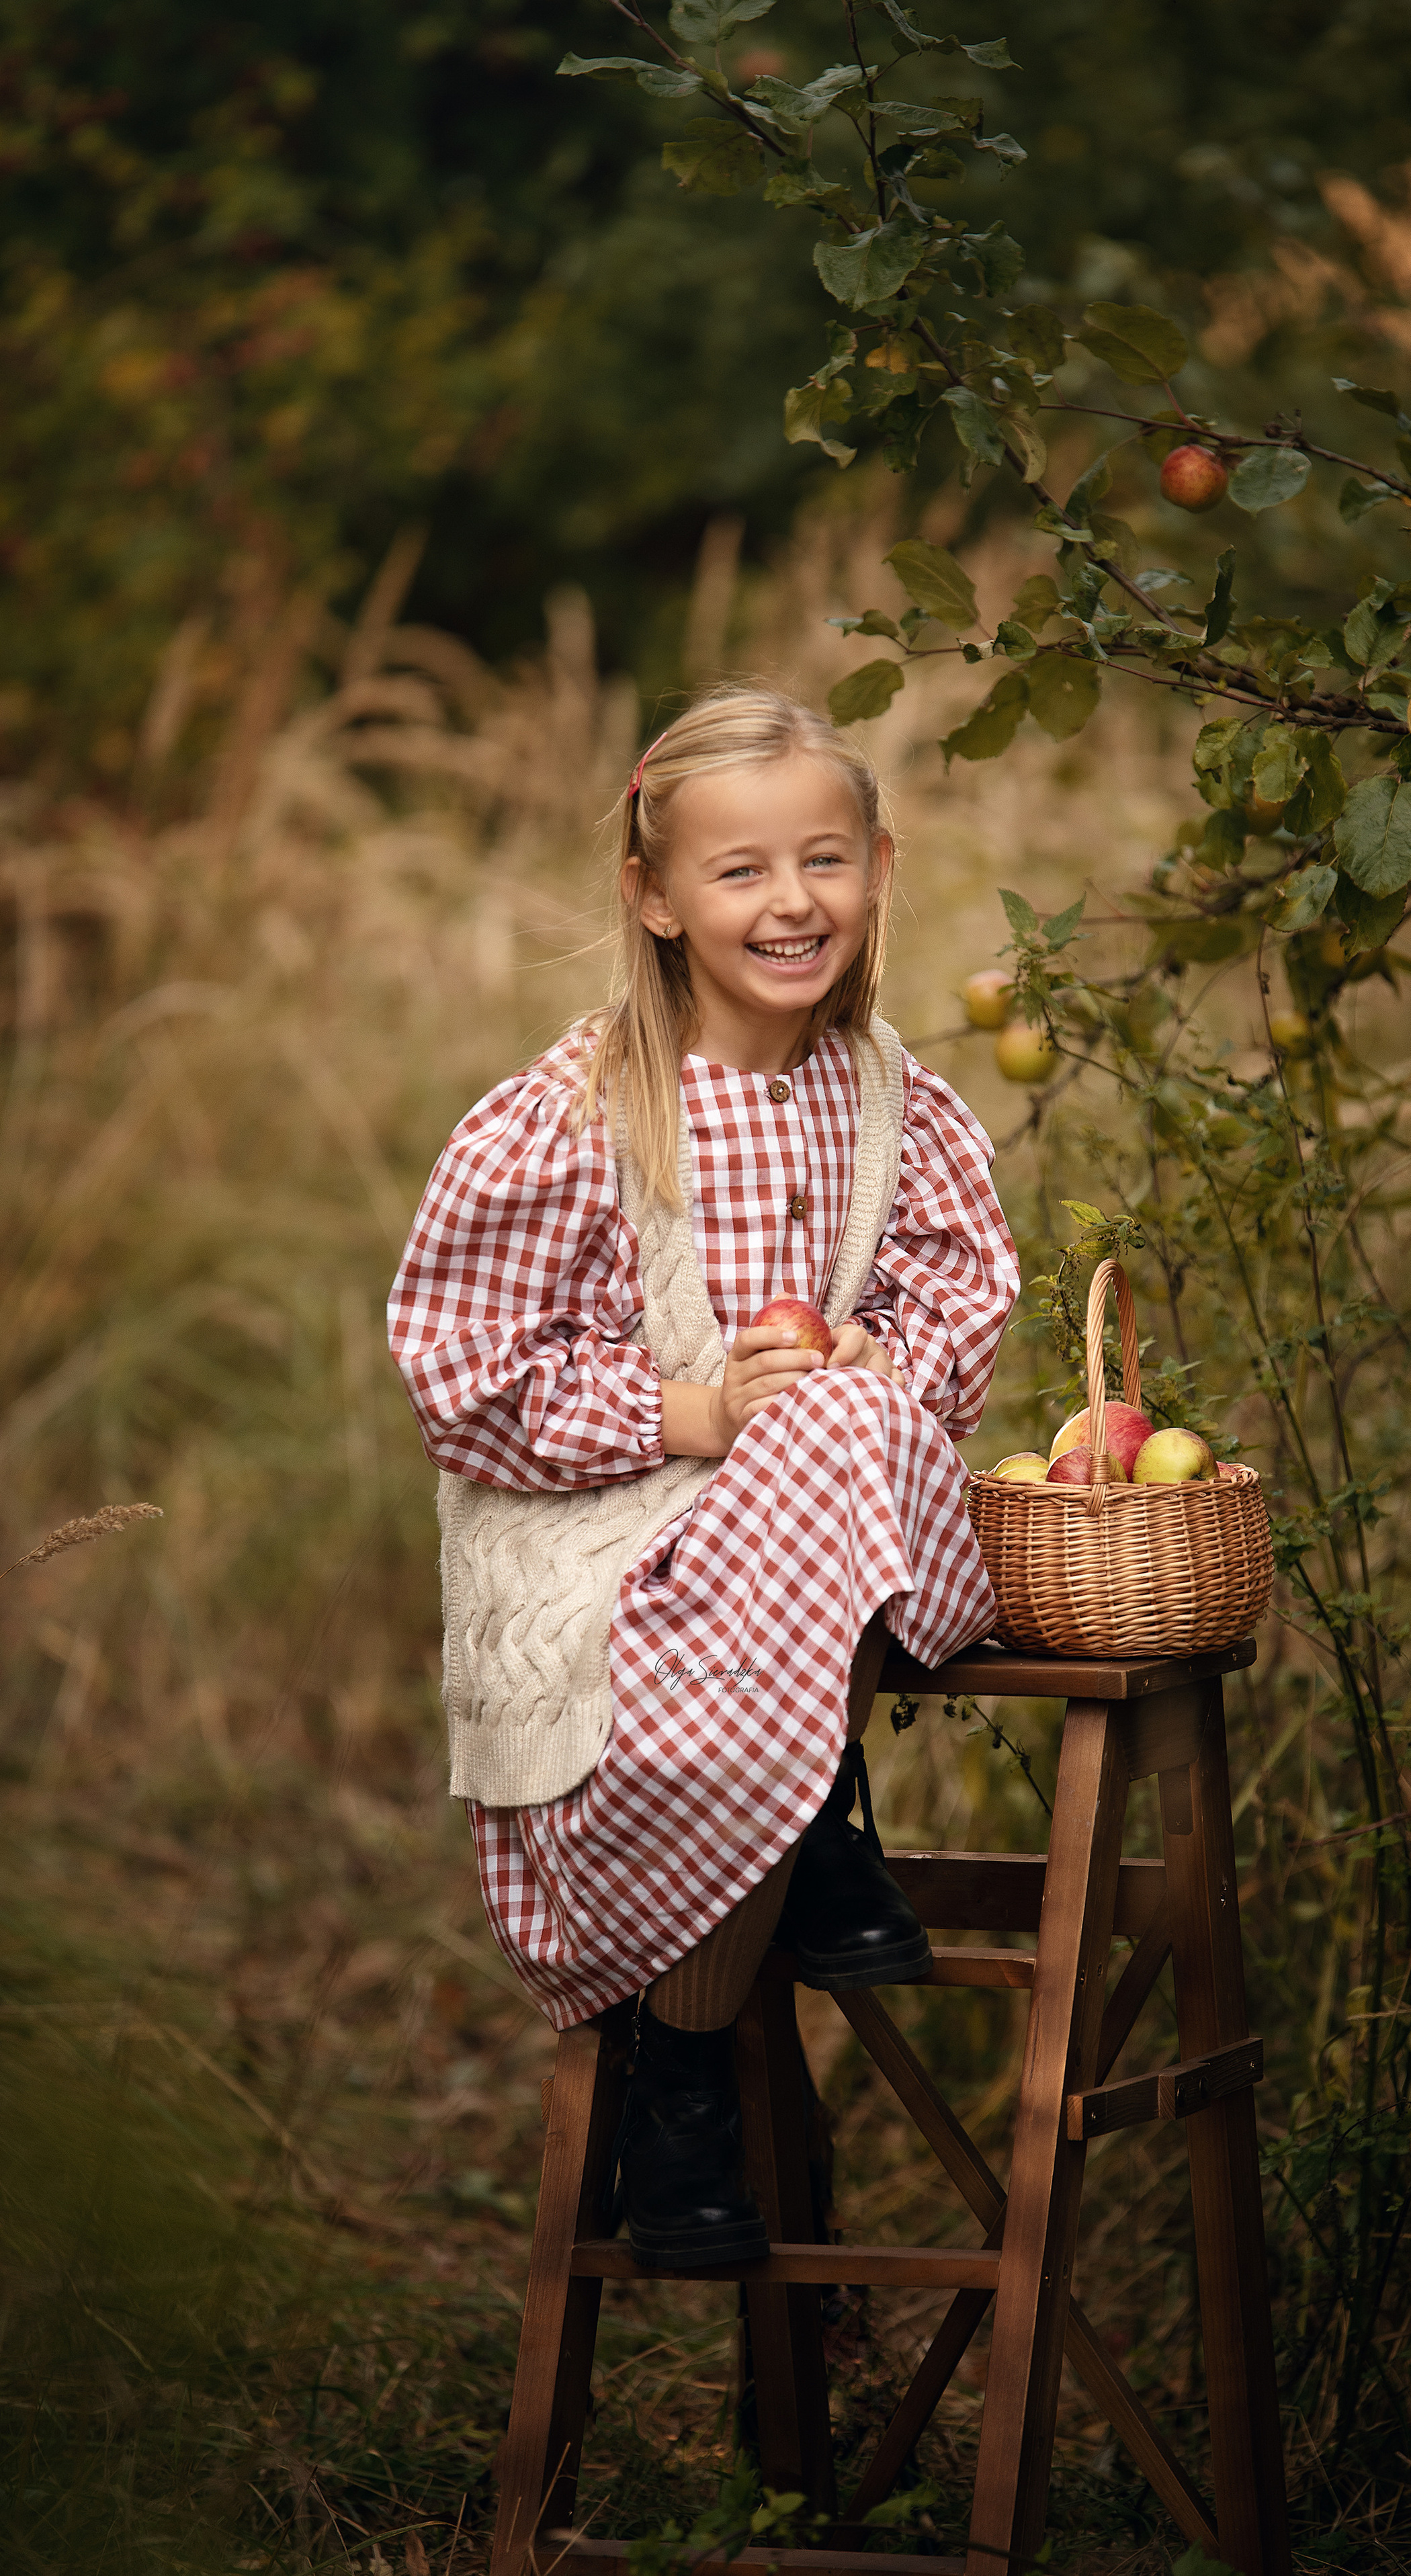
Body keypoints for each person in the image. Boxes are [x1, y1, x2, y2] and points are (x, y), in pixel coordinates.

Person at [388, 683, 1019, 2266]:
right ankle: (715, 2010)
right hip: (622, 1556)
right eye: (738, 872)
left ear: (878, 866)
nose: (788, 902)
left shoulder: (893, 1101)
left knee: (843, 1416)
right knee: (799, 1431)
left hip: (815, 1542)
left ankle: (771, 1912)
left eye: (821, 860)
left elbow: (965, 1294)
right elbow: (462, 1380)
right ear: (654, 896)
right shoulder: (570, 1118)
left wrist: (875, 1368)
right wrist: (690, 1411)